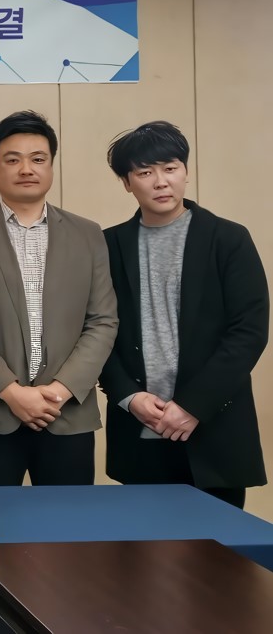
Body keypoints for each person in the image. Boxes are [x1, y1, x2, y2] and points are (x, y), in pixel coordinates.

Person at [101, 121, 268, 509]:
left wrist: (193, 405)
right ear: (127, 182)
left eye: (170, 168)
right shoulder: (108, 245)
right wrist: (127, 396)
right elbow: (96, 331)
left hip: (214, 428)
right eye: (145, 172)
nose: (161, 182)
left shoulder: (229, 239)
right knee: (142, 543)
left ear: (186, 172)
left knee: (217, 545)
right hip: (140, 428)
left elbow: (249, 331)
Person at [0, 111, 117, 486]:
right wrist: (10, 392)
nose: (26, 169)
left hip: (67, 414)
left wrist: (59, 391)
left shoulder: (88, 234)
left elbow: (103, 320)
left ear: (51, 165)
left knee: (68, 522)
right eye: (13, 159)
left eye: (38, 158)